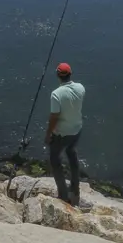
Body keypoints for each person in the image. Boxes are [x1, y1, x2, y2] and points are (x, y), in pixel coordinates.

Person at [45, 61, 86, 205]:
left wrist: (48, 134)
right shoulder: (81, 88)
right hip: (77, 129)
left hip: (62, 134)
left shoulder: (56, 94)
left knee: (55, 159)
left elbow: (54, 117)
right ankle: (75, 188)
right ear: (70, 74)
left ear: (58, 75)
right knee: (71, 153)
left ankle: (63, 195)